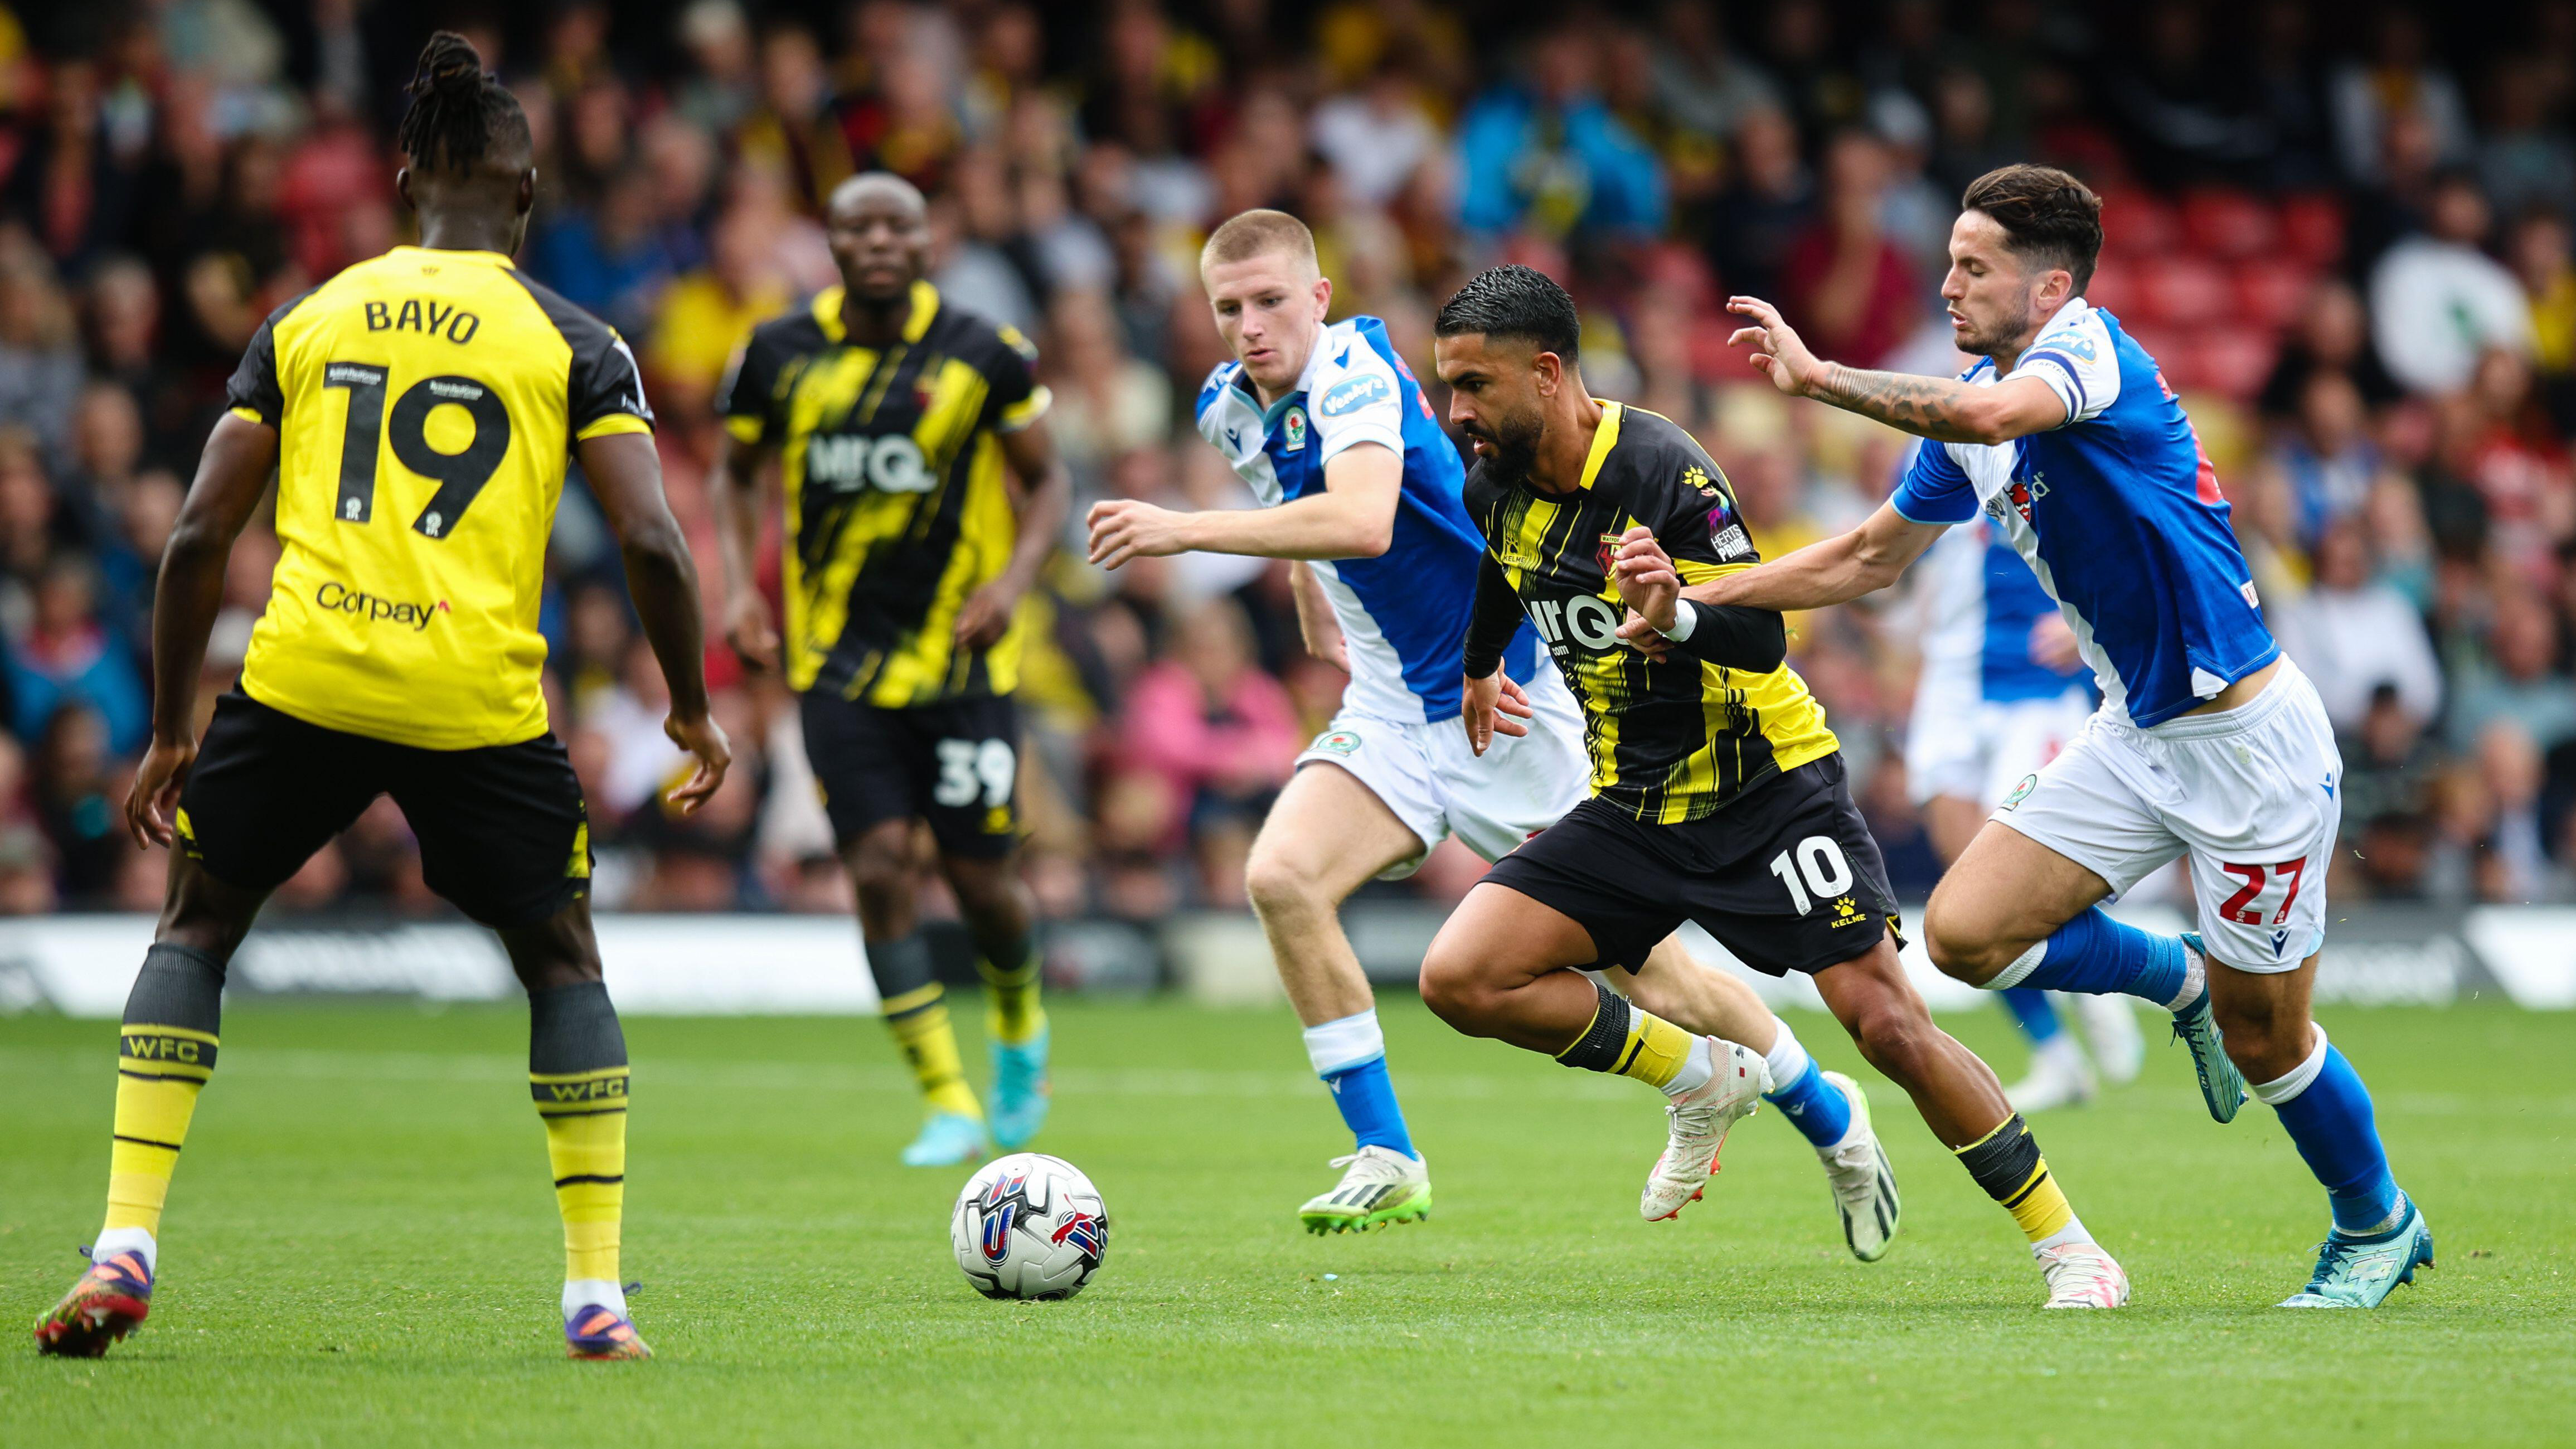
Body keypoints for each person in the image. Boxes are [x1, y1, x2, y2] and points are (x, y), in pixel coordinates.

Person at [33, 34, 730, 1361]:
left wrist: (179, 724)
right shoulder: (574, 338)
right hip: (474, 698)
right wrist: (690, 706)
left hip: (303, 675)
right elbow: (653, 540)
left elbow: (193, 536)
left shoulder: (315, 313)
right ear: (527, 198)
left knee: (195, 931)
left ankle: (126, 1237)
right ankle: (596, 1297)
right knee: (560, 961)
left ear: (406, 182)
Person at [1627, 164, 2427, 1309]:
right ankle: (2169, 971)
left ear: (2051, 286)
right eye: (1949, 262)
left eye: (1973, 267)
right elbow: (1866, 557)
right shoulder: (1969, 414)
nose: (1948, 285)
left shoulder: (2093, 356)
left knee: (2270, 1041)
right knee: (1960, 934)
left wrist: (1816, 379)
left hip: (2249, 746)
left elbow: (1993, 412)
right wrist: (1701, 601)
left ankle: (2376, 1222)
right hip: (2136, 738)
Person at [1088, 212, 1900, 1258]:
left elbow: (1366, 516)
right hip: (1387, 710)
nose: (1252, 326)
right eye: (1229, 309)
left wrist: (1182, 527)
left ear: (1320, 297)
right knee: (1283, 878)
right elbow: (1312, 514)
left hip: (1503, 709)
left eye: (1272, 301)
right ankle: (1391, 1154)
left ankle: (1828, 1114)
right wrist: (1304, 582)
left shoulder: (1358, 377)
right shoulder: (1229, 411)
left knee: (1648, 973)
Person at [1426, 263, 2127, 1309]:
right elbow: (1499, 562)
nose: (1456, 412)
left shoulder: (1661, 468)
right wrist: (1481, 664)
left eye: (1473, 386)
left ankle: (2069, 1244)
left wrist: (1674, 615)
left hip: (1767, 787)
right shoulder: (1495, 486)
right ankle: (1701, 1073)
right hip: (1634, 805)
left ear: (1547, 372)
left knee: (1888, 1027)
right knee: (1463, 976)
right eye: (1448, 387)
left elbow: (1761, 635)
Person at [711, 172, 1070, 1169]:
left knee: (985, 881)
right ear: (828, 241)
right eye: (857, 225)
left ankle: (1017, 1032)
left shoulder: (986, 354)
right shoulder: (777, 353)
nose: (877, 240)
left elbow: (1047, 481)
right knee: (875, 869)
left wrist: (1013, 577)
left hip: (964, 663)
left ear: (927, 241)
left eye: (897, 225)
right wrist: (741, 587)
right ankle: (945, 1096)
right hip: (836, 666)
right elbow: (735, 472)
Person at [1904, 518, 2142, 1111]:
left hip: (2033, 689)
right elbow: (1897, 568)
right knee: (1962, 891)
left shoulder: (2042, 442)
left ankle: (2099, 974)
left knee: (2019, 881)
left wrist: (2090, 618)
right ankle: (2056, 1056)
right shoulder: (1918, 458)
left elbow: (2126, 538)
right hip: (1949, 691)